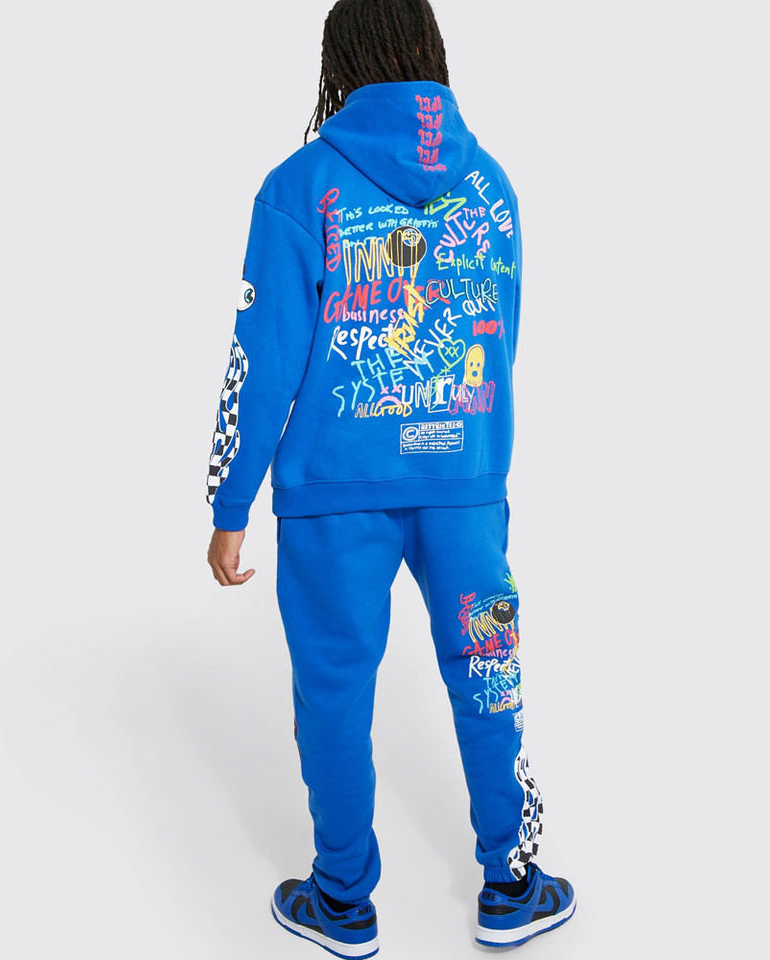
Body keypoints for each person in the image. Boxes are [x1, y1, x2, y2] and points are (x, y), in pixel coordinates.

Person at [205, 1, 575, 954]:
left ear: (342, 63)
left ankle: (340, 900)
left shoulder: (300, 187)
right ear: (431, 54)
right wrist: (470, 452)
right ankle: (512, 883)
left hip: (334, 492)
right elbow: (504, 339)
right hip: (466, 489)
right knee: (489, 670)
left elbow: (264, 355)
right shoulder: (491, 187)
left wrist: (230, 502)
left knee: (334, 689)